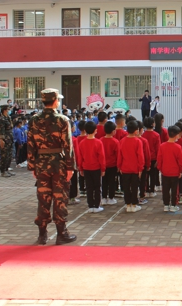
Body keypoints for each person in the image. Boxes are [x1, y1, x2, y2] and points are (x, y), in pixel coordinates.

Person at [28, 88, 77, 246]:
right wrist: (70, 167)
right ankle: (61, 233)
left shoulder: (34, 120)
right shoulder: (62, 120)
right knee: (60, 198)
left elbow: (30, 144)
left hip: (41, 164)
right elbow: (68, 145)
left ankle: (42, 234)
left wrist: (32, 165)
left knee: (43, 198)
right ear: (55, 101)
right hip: (58, 163)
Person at [77, 121, 106, 213]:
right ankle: (96, 205)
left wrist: (80, 168)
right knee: (97, 187)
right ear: (95, 130)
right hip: (96, 168)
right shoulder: (98, 142)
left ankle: (90, 205)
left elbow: (80, 157)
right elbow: (101, 157)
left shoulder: (82, 143)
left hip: (86, 168)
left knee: (89, 187)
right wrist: (103, 168)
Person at [156, 125, 182, 212]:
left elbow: (159, 159)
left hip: (165, 172)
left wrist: (161, 168)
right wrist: (181, 170)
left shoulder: (162, 146)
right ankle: (173, 205)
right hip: (175, 172)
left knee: (165, 189)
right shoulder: (178, 147)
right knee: (174, 189)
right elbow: (181, 161)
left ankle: (166, 205)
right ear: (176, 135)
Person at [118, 120, 144, 213]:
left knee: (126, 187)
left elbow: (120, 155)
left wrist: (119, 166)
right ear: (136, 131)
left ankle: (128, 204)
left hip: (125, 168)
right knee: (134, 187)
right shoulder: (138, 141)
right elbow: (140, 156)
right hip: (135, 168)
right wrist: (141, 168)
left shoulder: (122, 141)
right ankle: (134, 204)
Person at [101, 121, 119, 206]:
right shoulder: (115, 142)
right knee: (112, 182)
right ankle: (111, 198)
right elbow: (118, 155)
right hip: (112, 165)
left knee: (104, 182)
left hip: (103, 165)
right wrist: (118, 165)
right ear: (113, 131)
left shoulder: (100, 140)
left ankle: (104, 198)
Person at [0, 105, 14, 177]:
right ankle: (3, 171)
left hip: (9, 138)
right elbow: (1, 131)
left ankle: (7, 169)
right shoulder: (1, 119)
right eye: (8, 109)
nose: (9, 111)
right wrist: (1, 140)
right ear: (4, 110)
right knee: (4, 155)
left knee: (9, 155)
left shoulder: (8, 118)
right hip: (5, 139)